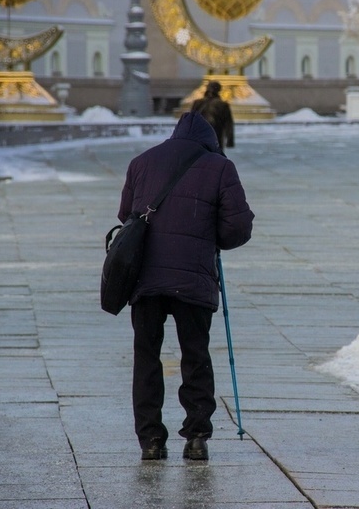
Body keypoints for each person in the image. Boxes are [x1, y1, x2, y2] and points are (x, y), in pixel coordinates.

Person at [117, 112, 254, 461]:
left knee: (146, 356)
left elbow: (126, 215)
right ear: (210, 140)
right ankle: (196, 437)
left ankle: (150, 439)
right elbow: (238, 227)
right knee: (195, 355)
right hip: (193, 278)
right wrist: (212, 237)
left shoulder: (141, 162)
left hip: (146, 278)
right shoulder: (221, 167)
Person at [190, 80, 235, 151]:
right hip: (216, 136)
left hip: (199, 136)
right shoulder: (223, 105)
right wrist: (230, 140)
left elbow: (190, 121)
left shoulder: (197, 103)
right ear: (219, 90)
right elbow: (228, 124)